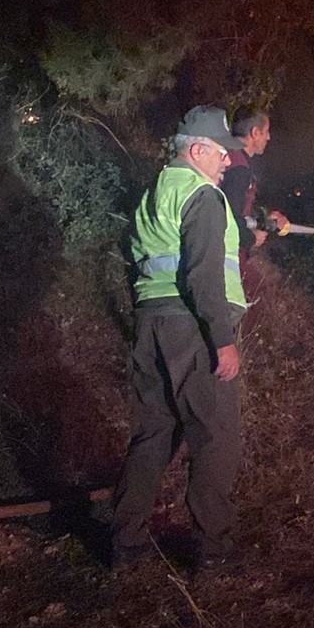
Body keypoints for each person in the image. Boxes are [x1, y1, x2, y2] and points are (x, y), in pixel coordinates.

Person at [111, 106, 248, 571]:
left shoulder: (154, 193)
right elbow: (203, 277)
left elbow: (136, 258)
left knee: (153, 434)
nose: (228, 160)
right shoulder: (201, 195)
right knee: (215, 435)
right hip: (193, 327)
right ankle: (213, 550)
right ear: (197, 150)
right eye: (221, 152)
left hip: (152, 324)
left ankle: (125, 544)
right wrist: (222, 340)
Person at [221, 106, 288, 300]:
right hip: (226, 254)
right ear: (254, 133)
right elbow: (229, 218)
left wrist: (265, 218)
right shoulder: (239, 169)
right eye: (266, 132)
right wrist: (252, 238)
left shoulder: (227, 156)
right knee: (259, 296)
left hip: (219, 251)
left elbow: (238, 204)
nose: (269, 137)